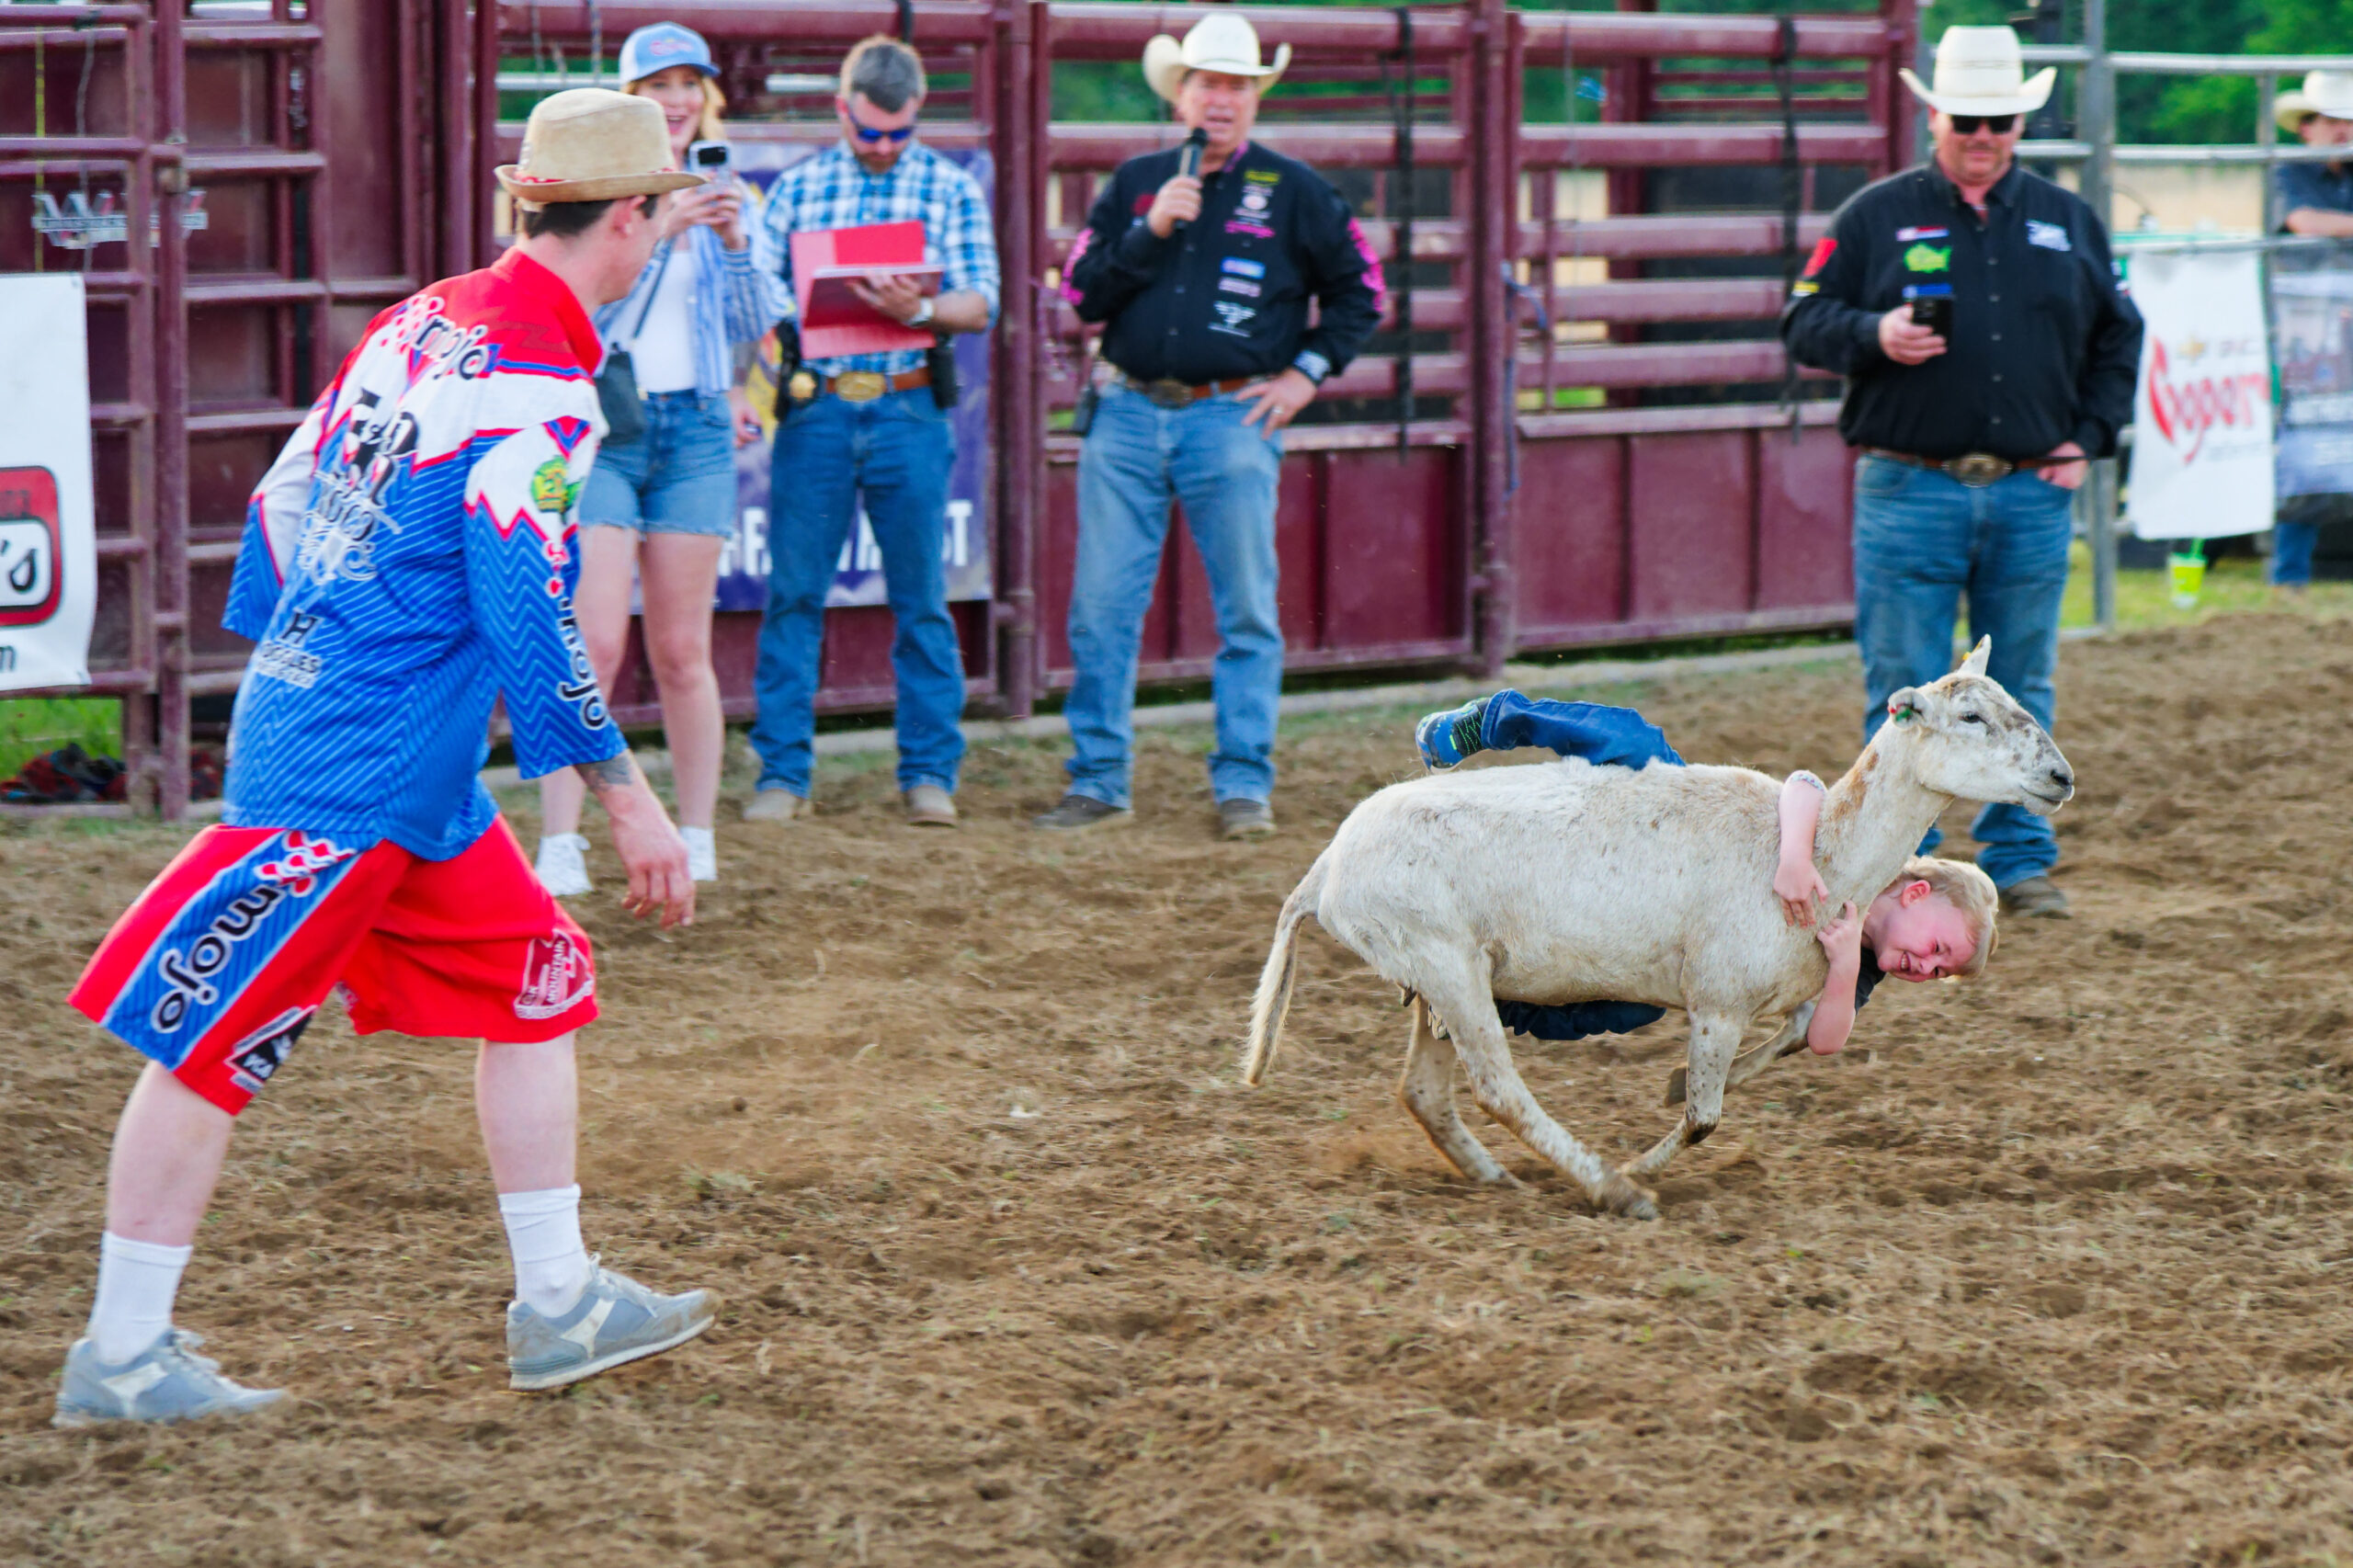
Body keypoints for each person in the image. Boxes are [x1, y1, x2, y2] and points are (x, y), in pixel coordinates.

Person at [53, 90, 716, 1427]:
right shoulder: (543, 386)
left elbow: (289, 492)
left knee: (538, 978)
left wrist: (311, 639)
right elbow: (525, 606)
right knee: (210, 1033)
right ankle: (120, 1354)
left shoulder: (428, 312)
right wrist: (632, 800)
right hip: (361, 762)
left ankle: (559, 1298)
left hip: (369, 739)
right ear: (632, 217)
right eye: (661, 217)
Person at [1780, 24, 2142, 921]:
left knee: (2024, 679)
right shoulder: (1872, 216)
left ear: (2018, 124)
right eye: (1966, 119)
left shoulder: (2069, 221)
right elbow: (1802, 321)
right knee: (1901, 681)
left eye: (1999, 120)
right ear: (1933, 116)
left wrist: (2087, 435)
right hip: (1910, 483)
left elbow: (2119, 334)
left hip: (2029, 486)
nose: (1982, 135)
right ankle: (1901, 862)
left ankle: (2019, 860)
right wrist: (1874, 335)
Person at [1037, 13, 1384, 841]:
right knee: (1100, 609)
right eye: (1206, 84)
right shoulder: (1138, 183)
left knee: (1246, 609)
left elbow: (1361, 292)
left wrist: (1303, 377)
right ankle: (1097, 779)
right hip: (1123, 411)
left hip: (1232, 415)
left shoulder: (1297, 192)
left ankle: (1242, 784)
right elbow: (1081, 294)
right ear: (1181, 95)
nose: (1219, 99)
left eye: (1235, 86)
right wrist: (1151, 229)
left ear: (1255, 97)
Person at [534, 24, 786, 895]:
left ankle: (697, 829)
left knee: (682, 650)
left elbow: (761, 323)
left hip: (699, 431)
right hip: (606, 428)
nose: (677, 99)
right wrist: (665, 228)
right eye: (660, 83)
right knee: (594, 642)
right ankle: (562, 840)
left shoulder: (729, 188)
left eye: (690, 83)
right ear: (630, 98)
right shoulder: (601, 196)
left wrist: (734, 240)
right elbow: (576, 320)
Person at [1414, 690, 1997, 1058]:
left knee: (1634, 1002)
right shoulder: (1871, 855)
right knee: (1635, 742)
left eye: (1939, 972)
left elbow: (1825, 1041)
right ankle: (1493, 721)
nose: (1926, 967)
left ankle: (1489, 1002)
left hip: (1671, 919)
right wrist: (1795, 856)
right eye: (1937, 948)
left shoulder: (1864, 961)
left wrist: (1845, 968)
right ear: (1916, 893)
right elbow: (1804, 785)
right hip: (1693, 832)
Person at [745, 35, 999, 830]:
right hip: (818, 402)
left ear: (916, 112)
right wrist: (790, 316)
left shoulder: (950, 187)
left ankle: (929, 772)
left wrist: (917, 309)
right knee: (794, 595)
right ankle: (782, 774)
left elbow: (981, 301)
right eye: (869, 132)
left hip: (907, 403)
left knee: (922, 597)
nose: (884, 146)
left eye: (897, 132)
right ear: (842, 110)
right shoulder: (795, 189)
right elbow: (758, 299)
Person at [2270, 73, 2353, 597]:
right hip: (2309, 330)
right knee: (2305, 442)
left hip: (2331, 321)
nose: (2343, 129)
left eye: (2348, 120)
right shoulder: (2288, 173)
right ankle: (2289, 577)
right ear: (2307, 127)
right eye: (2332, 119)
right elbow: (2301, 220)